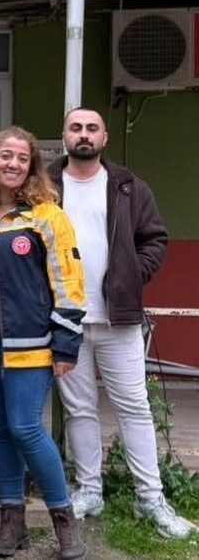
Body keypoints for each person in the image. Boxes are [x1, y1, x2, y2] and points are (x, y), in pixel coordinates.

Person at [49, 108, 193, 539]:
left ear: (105, 137)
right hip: (65, 318)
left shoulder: (128, 186)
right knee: (79, 408)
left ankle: (151, 498)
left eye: (92, 128)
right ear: (64, 135)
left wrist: (132, 276)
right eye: (76, 128)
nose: (84, 134)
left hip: (119, 317)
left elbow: (155, 239)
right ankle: (89, 490)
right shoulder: (46, 185)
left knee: (134, 407)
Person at [0, 126, 87, 559]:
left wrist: (66, 342)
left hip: (32, 341)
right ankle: (12, 522)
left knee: (26, 426)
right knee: (1, 430)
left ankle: (63, 519)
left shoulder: (47, 215)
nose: (12, 164)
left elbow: (69, 281)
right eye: (5, 156)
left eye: (22, 158)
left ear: (32, 166)